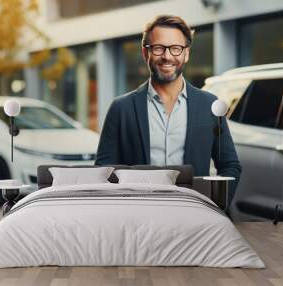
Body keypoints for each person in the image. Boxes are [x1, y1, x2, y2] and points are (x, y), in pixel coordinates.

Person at [95, 15, 242, 201]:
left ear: (186, 53)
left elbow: (230, 166)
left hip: (192, 213)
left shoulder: (209, 105)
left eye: (176, 48)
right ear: (145, 53)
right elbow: (103, 171)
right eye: (158, 48)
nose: (167, 56)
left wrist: (213, 206)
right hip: (137, 215)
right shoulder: (121, 108)